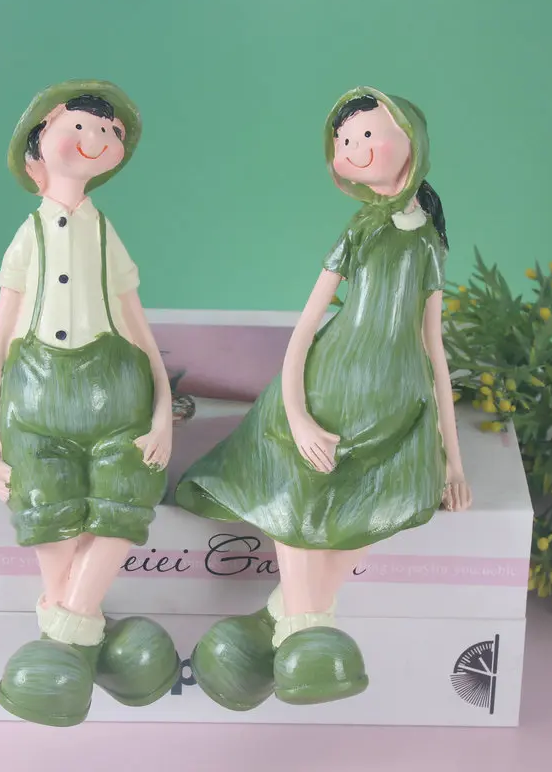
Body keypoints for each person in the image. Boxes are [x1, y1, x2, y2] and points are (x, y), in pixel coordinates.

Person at [174, 86, 472, 710]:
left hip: (396, 403)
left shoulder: (427, 243)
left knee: (379, 505)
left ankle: (282, 622)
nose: (353, 147)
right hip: (326, 390)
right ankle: (311, 641)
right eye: (343, 140)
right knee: (301, 494)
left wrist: (452, 458)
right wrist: (299, 416)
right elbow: (306, 327)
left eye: (366, 134)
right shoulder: (360, 230)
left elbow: (435, 349)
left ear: (411, 142)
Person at [0, 80, 179, 726]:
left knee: (125, 503)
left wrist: (162, 416)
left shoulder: (104, 233)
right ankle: (85, 643)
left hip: (116, 395)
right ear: (37, 144)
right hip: (35, 402)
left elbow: (140, 327)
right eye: (82, 126)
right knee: (50, 516)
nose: (97, 137)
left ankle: (60, 652)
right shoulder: (28, 236)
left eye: (110, 132)